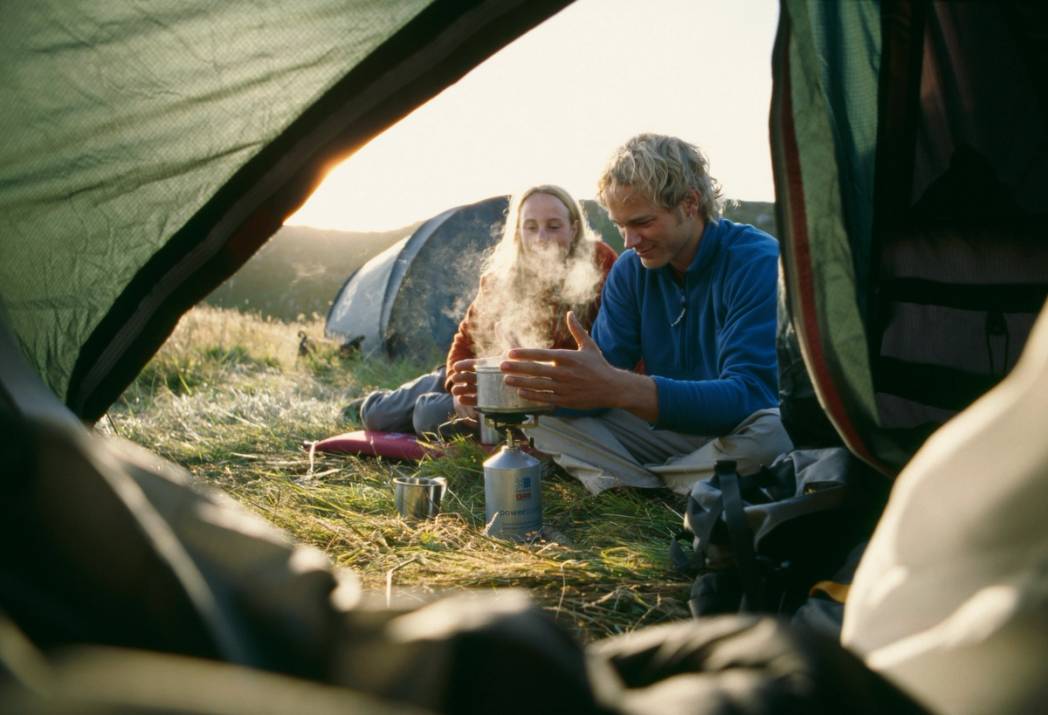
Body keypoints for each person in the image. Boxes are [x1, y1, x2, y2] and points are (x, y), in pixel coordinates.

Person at [499, 134, 793, 493]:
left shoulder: (756, 262)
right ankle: (680, 483)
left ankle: (643, 482)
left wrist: (623, 389)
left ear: (690, 203)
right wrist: (525, 388)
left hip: (733, 428)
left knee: (775, 430)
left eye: (642, 223)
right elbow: (598, 385)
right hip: (664, 430)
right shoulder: (631, 270)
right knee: (539, 419)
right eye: (620, 225)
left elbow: (751, 395)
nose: (629, 241)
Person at [358, 184, 617, 438]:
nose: (541, 238)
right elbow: (465, 340)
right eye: (530, 227)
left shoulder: (600, 265)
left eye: (554, 226)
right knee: (376, 415)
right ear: (518, 232)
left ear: (574, 229)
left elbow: (610, 354)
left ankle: (429, 409)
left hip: (532, 397)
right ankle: (368, 404)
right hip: (485, 374)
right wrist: (459, 388)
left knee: (428, 414)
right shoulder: (503, 276)